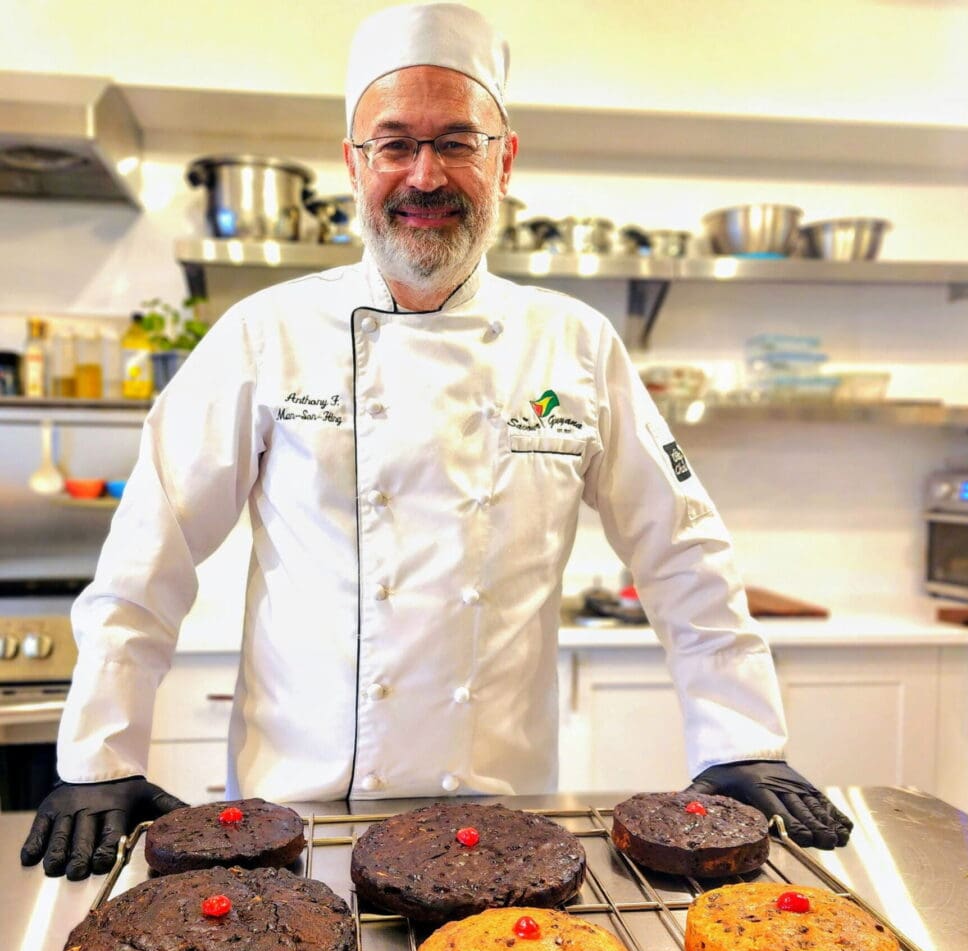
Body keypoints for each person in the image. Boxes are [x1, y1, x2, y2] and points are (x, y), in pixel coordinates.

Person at [21, 2, 852, 882]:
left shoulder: (572, 343)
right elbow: (150, 548)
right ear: (353, 163)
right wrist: (100, 755)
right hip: (298, 823)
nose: (424, 174)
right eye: (393, 143)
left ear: (504, 158)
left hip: (501, 821)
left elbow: (683, 549)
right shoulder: (265, 334)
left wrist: (739, 739)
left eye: (457, 141)